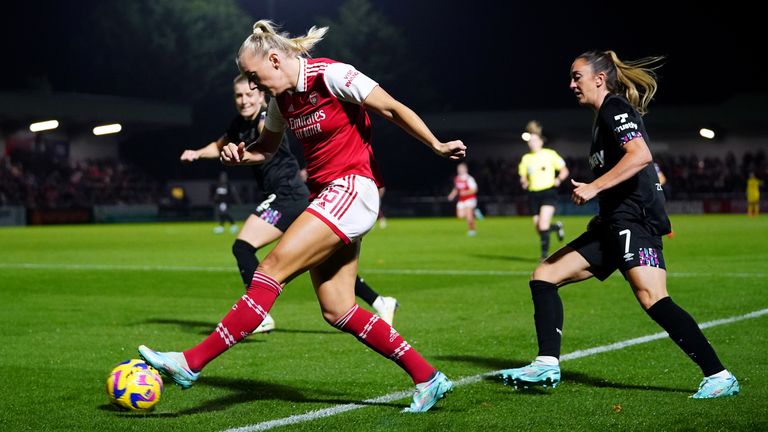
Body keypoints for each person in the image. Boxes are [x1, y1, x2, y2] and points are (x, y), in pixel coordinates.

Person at [140, 20, 465, 412]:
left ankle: (190, 363)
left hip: (351, 188)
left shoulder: (331, 74)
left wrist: (435, 144)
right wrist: (241, 154)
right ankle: (428, 377)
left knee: (268, 271)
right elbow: (266, 148)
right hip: (327, 196)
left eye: (255, 77)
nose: (254, 87)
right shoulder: (281, 102)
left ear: (275, 60)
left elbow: (392, 109)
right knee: (338, 309)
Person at [499, 50, 739, 399]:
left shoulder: (615, 108)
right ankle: (546, 364)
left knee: (652, 297)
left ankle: (719, 375)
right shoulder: (601, 119)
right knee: (544, 275)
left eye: (576, 76)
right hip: (610, 224)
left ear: (599, 78)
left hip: (634, 220)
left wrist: (595, 186)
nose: (571, 84)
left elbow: (641, 154)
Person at [179, 75, 400, 333]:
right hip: (287, 197)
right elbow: (219, 146)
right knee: (318, 261)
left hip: (287, 196)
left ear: (261, 96)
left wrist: (245, 149)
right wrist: (196, 153)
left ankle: (259, 314)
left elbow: (263, 139)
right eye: (238, 96)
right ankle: (380, 301)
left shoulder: (265, 118)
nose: (244, 101)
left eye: (249, 95)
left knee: (242, 246)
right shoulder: (238, 125)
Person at [518, 121, 569, 259]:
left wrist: (558, 179)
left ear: (541, 141)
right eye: (530, 141)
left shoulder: (550, 154)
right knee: (539, 227)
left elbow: (564, 170)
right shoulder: (526, 158)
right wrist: (524, 181)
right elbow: (523, 176)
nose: (532, 143)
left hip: (548, 192)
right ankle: (557, 227)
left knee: (543, 224)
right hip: (533, 194)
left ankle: (544, 256)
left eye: (534, 140)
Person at [447, 162, 478, 236]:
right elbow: (456, 188)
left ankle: (472, 230)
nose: (460, 170)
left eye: (462, 168)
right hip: (461, 200)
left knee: (469, 217)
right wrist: (452, 195)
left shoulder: (469, 178)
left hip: (470, 199)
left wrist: (465, 192)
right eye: (459, 169)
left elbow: (474, 189)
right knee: (460, 216)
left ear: (466, 169)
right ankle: (475, 212)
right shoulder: (457, 178)